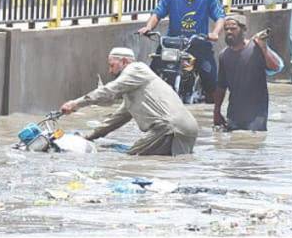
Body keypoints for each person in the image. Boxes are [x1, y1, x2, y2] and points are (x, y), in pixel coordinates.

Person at [60, 47, 199, 156]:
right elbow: (117, 119)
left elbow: (108, 91)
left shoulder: (136, 69)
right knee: (167, 162)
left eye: (112, 65)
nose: (110, 71)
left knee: (132, 158)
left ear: (125, 61)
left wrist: (75, 104)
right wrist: (88, 137)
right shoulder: (134, 88)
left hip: (169, 127)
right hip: (186, 128)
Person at [137, 0, 225, 104]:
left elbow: (220, 16)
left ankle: (214, 114)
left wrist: (215, 33)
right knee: (151, 76)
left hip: (199, 43)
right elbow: (157, 13)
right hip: (172, 44)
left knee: (211, 81)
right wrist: (148, 27)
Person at [213, 15, 284, 132]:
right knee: (234, 145)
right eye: (226, 29)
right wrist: (216, 111)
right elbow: (221, 87)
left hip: (256, 116)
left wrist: (264, 48)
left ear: (244, 30)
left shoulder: (257, 48)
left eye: (233, 28)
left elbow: (277, 67)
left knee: (252, 145)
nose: (229, 32)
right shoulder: (223, 56)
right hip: (234, 115)